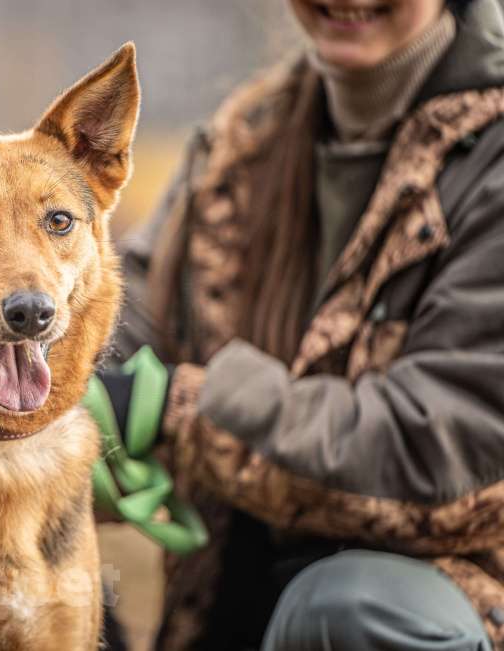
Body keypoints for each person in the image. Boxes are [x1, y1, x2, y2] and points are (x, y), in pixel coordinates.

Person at [101, 0, 504, 648]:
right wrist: (35, 383)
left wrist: (174, 407)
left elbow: (431, 456)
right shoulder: (245, 137)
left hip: (447, 606)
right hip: (227, 605)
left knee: (350, 608)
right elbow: (127, 312)